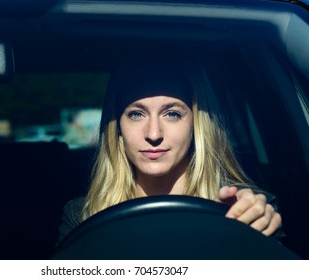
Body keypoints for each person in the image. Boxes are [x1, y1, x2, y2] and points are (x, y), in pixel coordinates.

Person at [57, 56, 283, 244]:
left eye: (172, 114)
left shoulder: (245, 207)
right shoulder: (82, 215)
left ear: (196, 125)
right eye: (136, 114)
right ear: (117, 127)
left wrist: (252, 225)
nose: (153, 134)